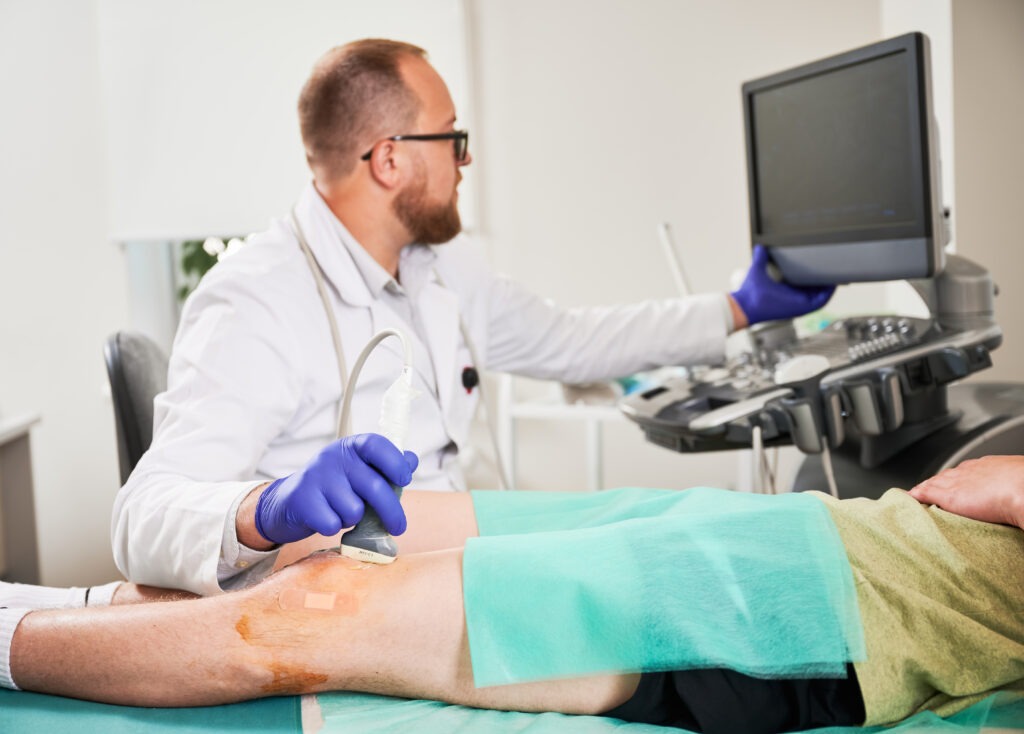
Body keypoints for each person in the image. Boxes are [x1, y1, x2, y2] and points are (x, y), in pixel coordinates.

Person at [112, 38, 833, 596]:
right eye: (452, 138)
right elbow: (142, 518)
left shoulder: (436, 267)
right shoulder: (257, 297)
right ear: (390, 160)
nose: (465, 160)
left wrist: (736, 308)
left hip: (463, 551)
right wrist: (268, 508)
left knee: (677, 534)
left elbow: (572, 341)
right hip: (369, 588)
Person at [4, 462, 1024, 734]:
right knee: (366, 529)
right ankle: (52, 604)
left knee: (313, 612)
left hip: (827, 605)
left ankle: (11, 639)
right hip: (817, 549)